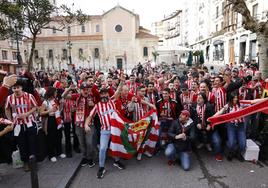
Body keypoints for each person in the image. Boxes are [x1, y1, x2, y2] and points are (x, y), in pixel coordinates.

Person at [85, 88, 125, 179]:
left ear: (108, 94)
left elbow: (118, 91)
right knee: (103, 148)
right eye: (102, 94)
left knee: (116, 146)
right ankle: (101, 167)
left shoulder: (112, 101)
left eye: (105, 93)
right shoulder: (97, 106)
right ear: (100, 96)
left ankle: (117, 161)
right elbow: (90, 116)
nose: (104, 95)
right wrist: (86, 125)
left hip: (115, 130)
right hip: (105, 131)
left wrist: (122, 81)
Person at [5, 81, 38, 171]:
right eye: (14, 88)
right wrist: (10, 120)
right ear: (12, 89)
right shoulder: (9, 98)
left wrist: (27, 114)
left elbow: (35, 107)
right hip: (18, 125)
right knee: (21, 144)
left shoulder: (29, 96)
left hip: (30, 123)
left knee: (32, 142)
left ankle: (33, 162)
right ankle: (25, 162)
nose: (16, 90)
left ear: (21, 87)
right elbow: (7, 108)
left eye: (18, 87)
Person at [213, 92, 246, 162]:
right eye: (234, 98)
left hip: (241, 125)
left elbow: (253, 102)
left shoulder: (242, 103)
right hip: (231, 126)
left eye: (237, 98)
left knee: (243, 144)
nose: (236, 99)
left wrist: (265, 99)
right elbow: (220, 111)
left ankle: (238, 153)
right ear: (231, 99)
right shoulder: (228, 105)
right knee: (231, 143)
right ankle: (231, 153)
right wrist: (212, 118)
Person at [40, 87, 66, 162]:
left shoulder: (56, 100)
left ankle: (59, 152)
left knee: (59, 136)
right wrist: (50, 110)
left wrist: (61, 104)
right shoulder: (45, 102)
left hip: (57, 119)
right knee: (51, 137)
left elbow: (59, 110)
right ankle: (51, 155)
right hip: (51, 120)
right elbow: (41, 112)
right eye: (55, 92)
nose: (56, 93)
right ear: (51, 93)